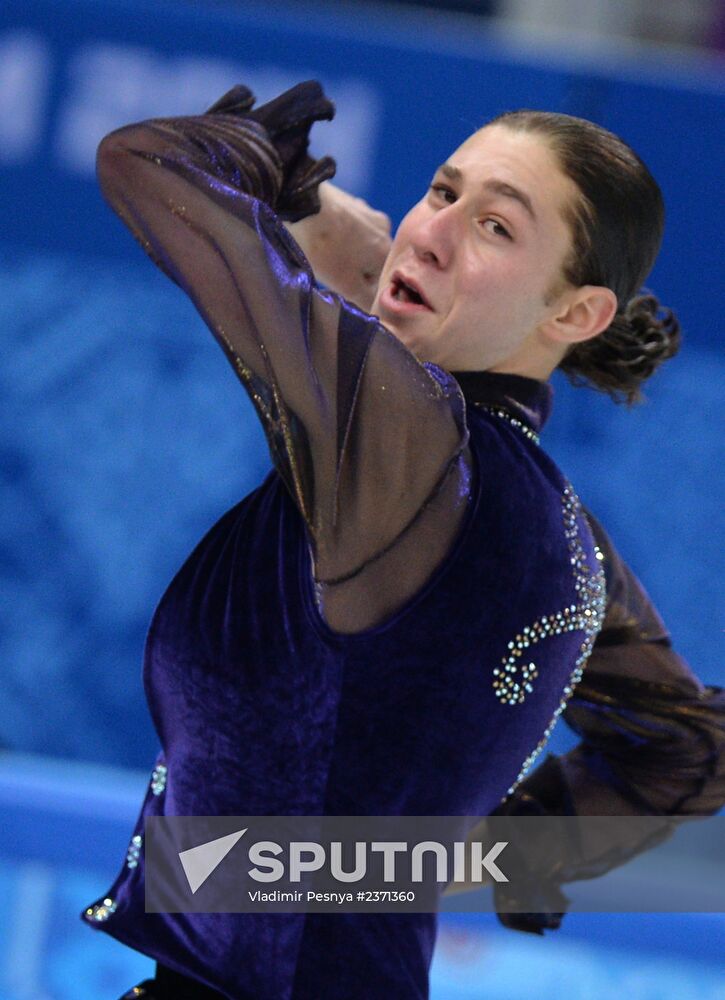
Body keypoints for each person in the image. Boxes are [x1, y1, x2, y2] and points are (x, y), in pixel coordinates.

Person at [80, 81, 724, 1000]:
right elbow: (685, 752)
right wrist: (423, 868)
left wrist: (306, 204)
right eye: (440, 190)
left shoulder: (415, 446)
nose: (432, 230)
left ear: (576, 315)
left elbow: (145, 165)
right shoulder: (564, 537)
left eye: (495, 226)